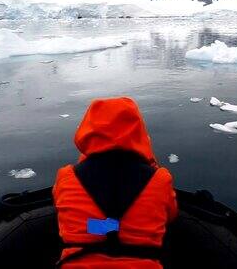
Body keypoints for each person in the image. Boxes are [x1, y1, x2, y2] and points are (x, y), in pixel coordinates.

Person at [53, 97, 178, 268]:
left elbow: (65, 217)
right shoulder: (160, 179)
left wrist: (105, 227)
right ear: (138, 129)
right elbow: (170, 216)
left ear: (88, 130)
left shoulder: (67, 178)